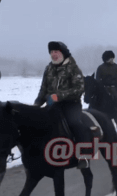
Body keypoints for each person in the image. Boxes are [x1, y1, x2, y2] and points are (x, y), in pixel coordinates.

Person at [34, 41, 91, 169]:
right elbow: (43, 89)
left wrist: (59, 96)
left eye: (56, 52)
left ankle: (83, 155)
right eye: (51, 52)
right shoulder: (48, 68)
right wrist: (37, 104)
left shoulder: (73, 67)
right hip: (52, 104)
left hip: (71, 104)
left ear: (63, 53)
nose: (54, 54)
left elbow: (79, 88)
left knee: (74, 123)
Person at [96, 50, 117, 119]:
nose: (113, 60)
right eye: (111, 58)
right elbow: (98, 79)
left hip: (113, 87)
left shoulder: (116, 67)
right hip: (103, 87)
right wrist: (101, 87)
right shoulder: (100, 68)